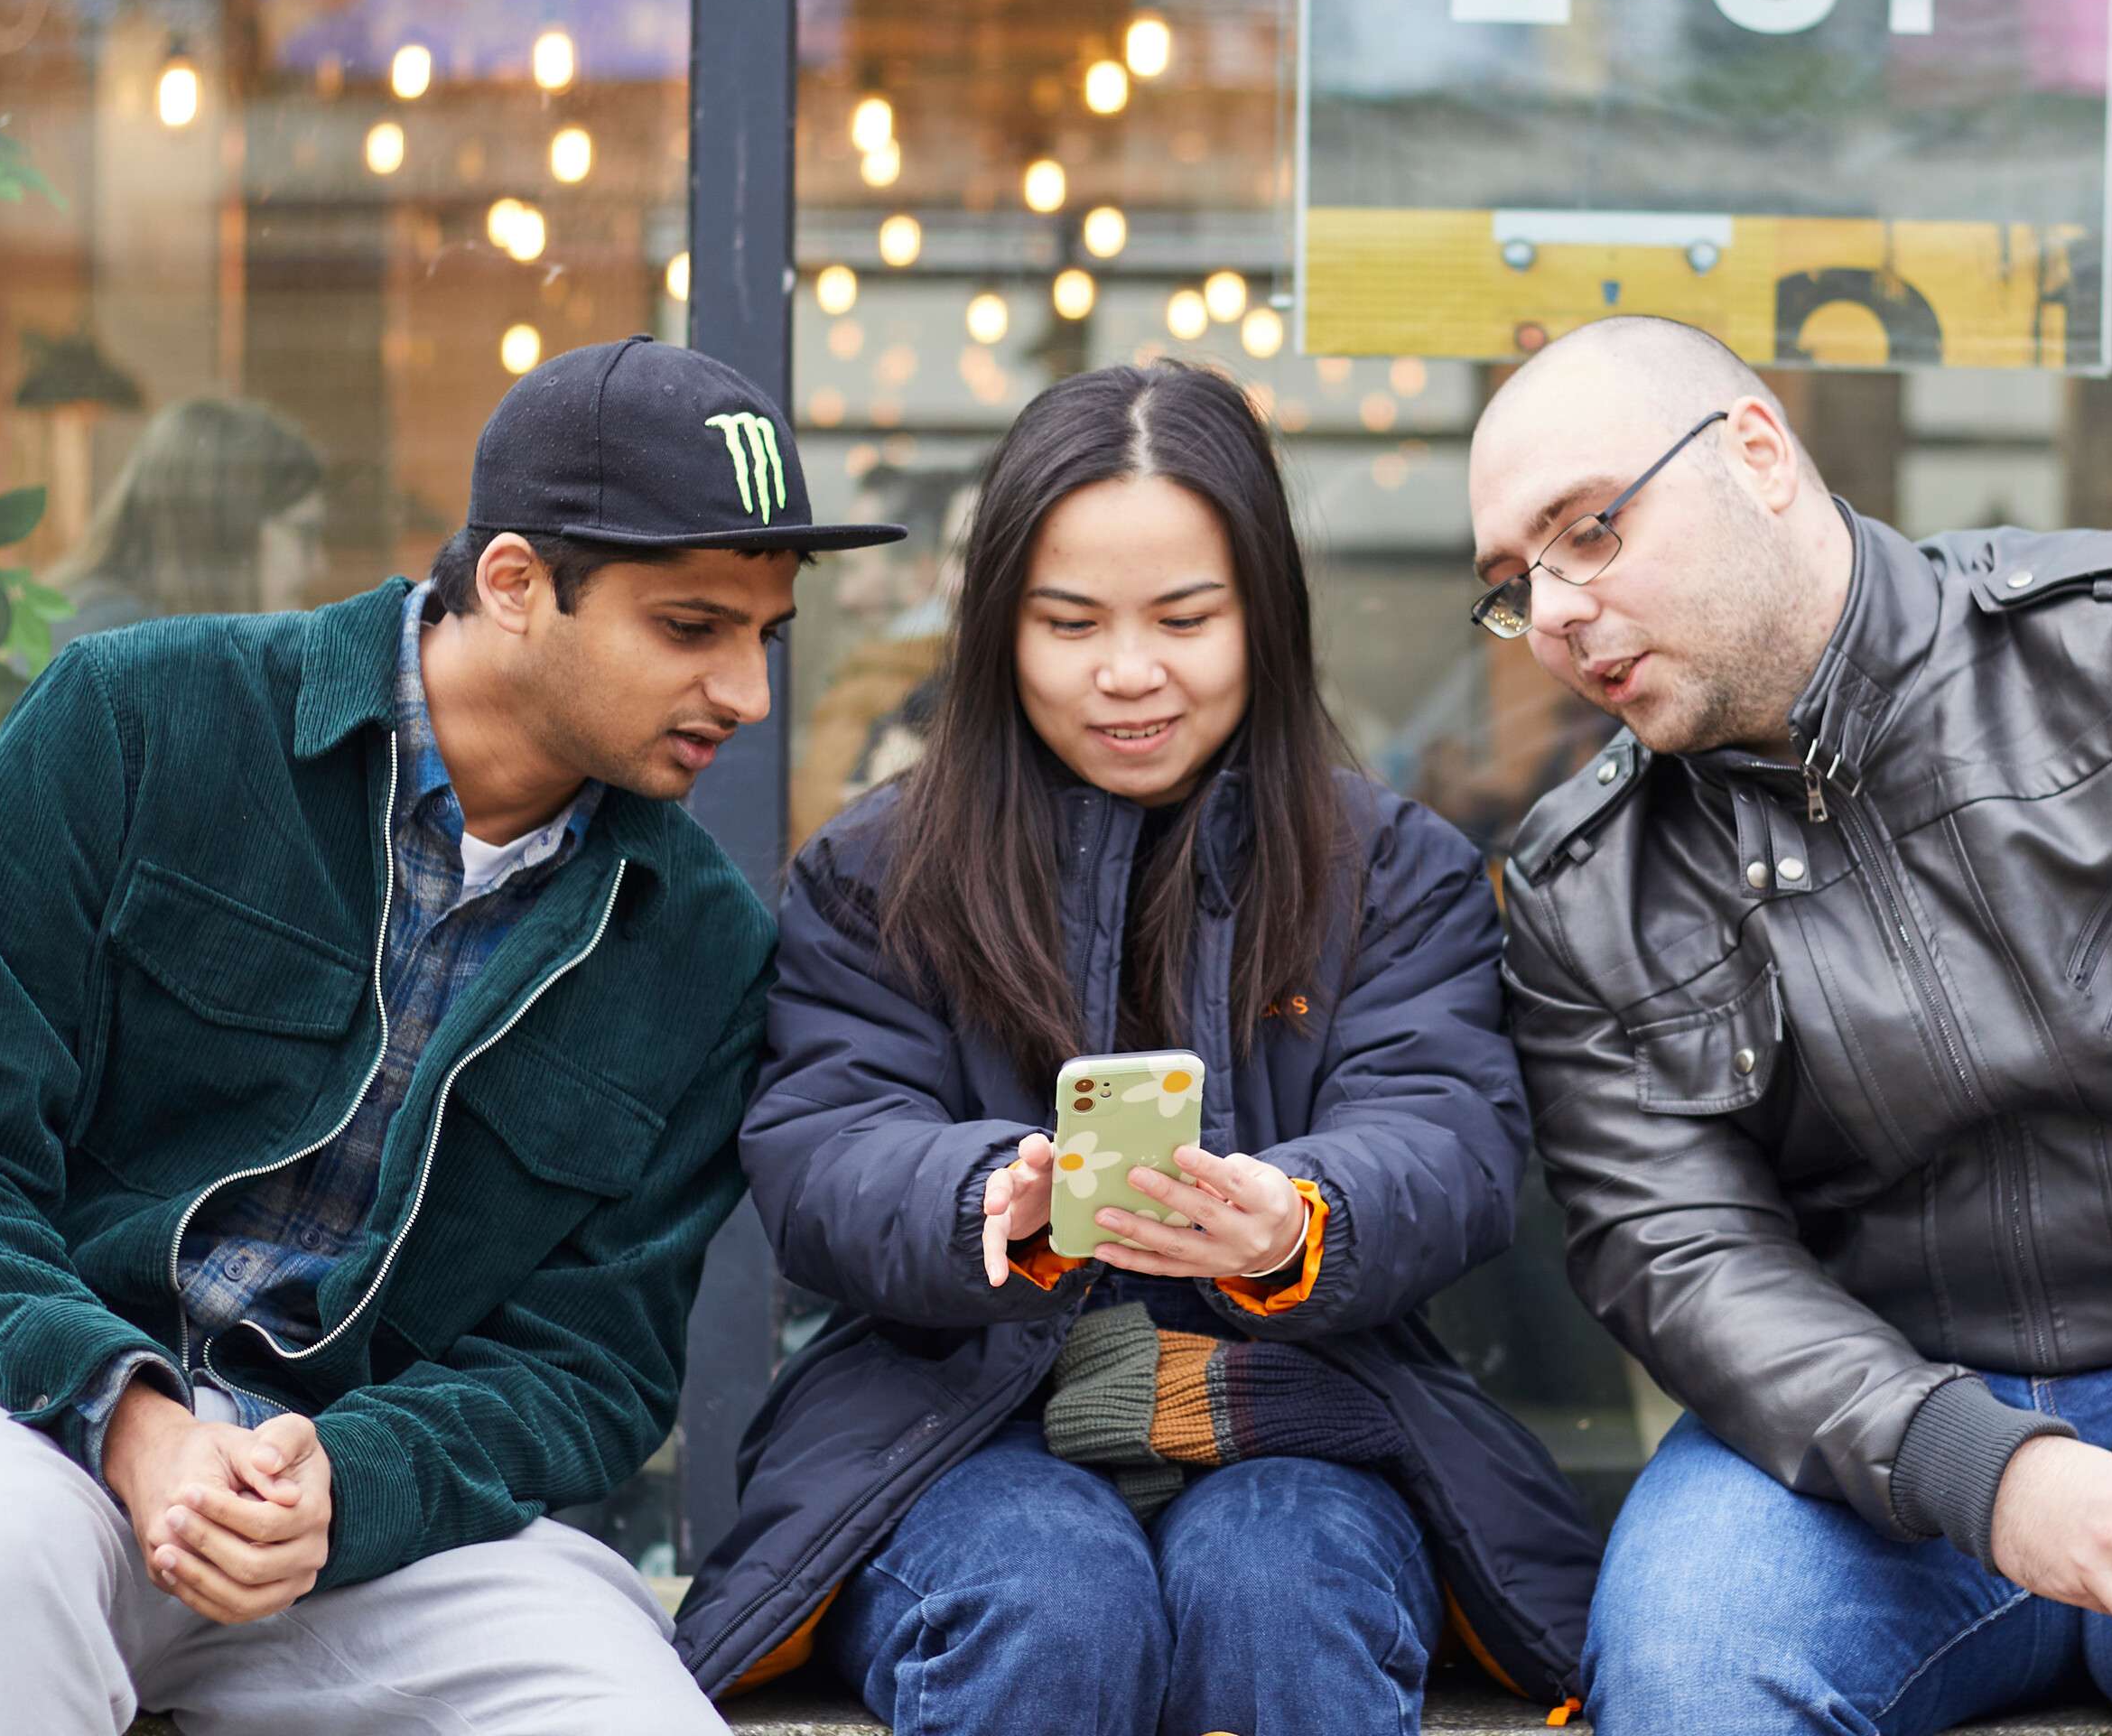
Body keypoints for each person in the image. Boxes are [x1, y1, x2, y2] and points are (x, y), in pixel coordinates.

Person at [0, 338, 903, 1736]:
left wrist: (348, 1478)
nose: (748, 695)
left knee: (625, 1709)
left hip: (337, 1527)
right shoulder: (136, 722)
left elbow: (589, 1372)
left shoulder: (696, 944)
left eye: (766, 636)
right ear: (515, 584)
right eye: (691, 629)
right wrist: (130, 1416)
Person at [1465, 317, 2112, 1735]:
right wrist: (1982, 1466)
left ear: (1759, 457)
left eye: (1586, 532)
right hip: (1872, 1431)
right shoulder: (1583, 887)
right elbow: (1678, 1250)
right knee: (1691, 1675)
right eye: (1514, 583)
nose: (1553, 614)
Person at [673, 362, 1598, 1735]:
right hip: (953, 1426)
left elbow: (1451, 1135)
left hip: (1303, 1407)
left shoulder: (1394, 869)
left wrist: (1298, 1220)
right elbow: (820, 1149)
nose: (1127, 672)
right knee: (1054, 1602)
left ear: (1264, 621)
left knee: (1284, 1587)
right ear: (999, 632)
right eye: (1068, 622)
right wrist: (986, 1197)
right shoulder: (878, 870)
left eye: (1185, 617)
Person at [51, 395, 330, 639]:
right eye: (305, 532)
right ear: (225, 531)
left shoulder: (116, 627)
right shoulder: (120, 648)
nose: (320, 565)